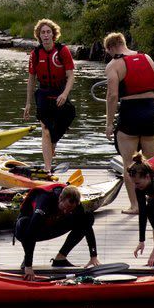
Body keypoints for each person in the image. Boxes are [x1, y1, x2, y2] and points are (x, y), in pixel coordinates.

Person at [103, 31, 154, 213]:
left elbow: (112, 96)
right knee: (151, 164)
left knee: (129, 164)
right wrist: (153, 107)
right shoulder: (147, 58)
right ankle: (153, 203)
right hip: (150, 111)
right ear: (124, 43)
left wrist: (109, 123)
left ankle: (135, 206)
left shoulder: (113, 65)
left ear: (111, 47)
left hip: (130, 113)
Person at [14, 183, 100, 281]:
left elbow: (87, 227)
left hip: (50, 224)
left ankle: (60, 258)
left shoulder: (76, 204)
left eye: (70, 210)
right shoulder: (45, 199)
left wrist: (93, 256)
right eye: (65, 208)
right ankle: (26, 260)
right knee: (26, 225)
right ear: (60, 199)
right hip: (27, 229)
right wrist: (28, 265)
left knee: (87, 218)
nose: (66, 212)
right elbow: (31, 231)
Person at [22, 19, 75, 174]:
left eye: (48, 32)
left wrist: (65, 94)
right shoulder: (35, 54)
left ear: (53, 34)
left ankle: (53, 142)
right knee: (45, 129)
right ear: (39, 36)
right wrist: (28, 103)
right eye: (42, 33)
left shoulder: (62, 51)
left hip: (60, 92)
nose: (45, 35)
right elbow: (31, 79)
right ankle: (47, 168)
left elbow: (71, 76)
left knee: (69, 115)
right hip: (43, 93)